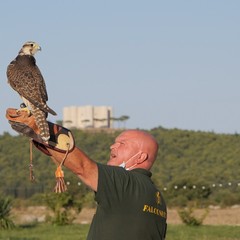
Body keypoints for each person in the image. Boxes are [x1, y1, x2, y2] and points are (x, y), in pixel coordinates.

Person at [6, 108, 167, 240]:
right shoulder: (157, 198)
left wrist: (41, 128)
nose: (112, 146)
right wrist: (43, 140)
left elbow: (83, 167)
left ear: (140, 157)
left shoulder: (126, 182)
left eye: (122, 144)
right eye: (115, 142)